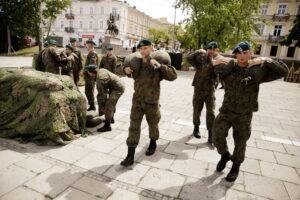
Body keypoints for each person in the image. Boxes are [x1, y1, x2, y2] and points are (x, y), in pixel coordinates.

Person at [212, 41, 289, 182]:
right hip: (227, 110)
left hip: (244, 113)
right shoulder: (227, 67)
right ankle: (224, 155)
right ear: (235, 54)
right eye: (239, 53)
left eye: (245, 53)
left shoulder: (258, 69)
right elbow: (208, 72)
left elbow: (284, 71)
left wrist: (266, 60)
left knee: (240, 141)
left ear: (251, 53)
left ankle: (236, 165)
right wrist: (213, 63)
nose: (242, 56)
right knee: (216, 135)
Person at [120, 38, 177, 167]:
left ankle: (153, 142)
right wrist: (125, 71)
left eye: (145, 48)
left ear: (151, 48)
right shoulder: (136, 62)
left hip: (152, 101)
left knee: (153, 124)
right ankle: (130, 155)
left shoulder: (156, 62)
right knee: (133, 126)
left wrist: (160, 67)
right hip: (137, 101)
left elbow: (173, 76)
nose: (143, 50)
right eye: (141, 48)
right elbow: (120, 68)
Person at [186, 42, 229, 143]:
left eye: (214, 49)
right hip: (199, 89)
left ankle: (210, 133)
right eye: (210, 49)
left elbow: (223, 72)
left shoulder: (219, 59)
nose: (212, 51)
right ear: (207, 49)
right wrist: (199, 51)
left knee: (211, 112)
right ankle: (196, 128)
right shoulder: (201, 58)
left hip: (210, 90)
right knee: (197, 110)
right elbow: (188, 59)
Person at [85, 64, 125, 132]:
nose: (88, 74)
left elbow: (102, 95)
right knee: (111, 104)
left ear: (91, 72)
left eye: (88, 72)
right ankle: (111, 119)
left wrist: (102, 107)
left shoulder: (100, 78)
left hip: (118, 88)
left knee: (108, 106)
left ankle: (107, 126)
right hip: (114, 86)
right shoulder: (100, 70)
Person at [84, 39, 99, 111]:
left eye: (86, 45)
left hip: (90, 76)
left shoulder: (93, 53)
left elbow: (92, 65)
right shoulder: (91, 53)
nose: (86, 46)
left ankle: (92, 106)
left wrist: (86, 71)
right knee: (88, 91)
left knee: (89, 91)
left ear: (89, 45)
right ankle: (92, 105)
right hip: (88, 76)